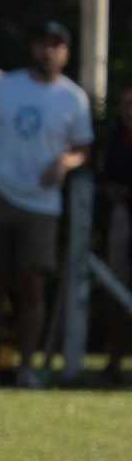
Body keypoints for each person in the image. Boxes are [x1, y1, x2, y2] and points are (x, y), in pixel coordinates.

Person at [0, 21, 92, 388]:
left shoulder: (73, 98)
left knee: (32, 286)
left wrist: (66, 162)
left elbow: (83, 149)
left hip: (42, 204)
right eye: (42, 43)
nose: (48, 51)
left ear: (66, 53)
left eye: (56, 45)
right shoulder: (4, 87)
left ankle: (26, 369)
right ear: (32, 48)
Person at [101, 86, 132, 385]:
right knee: (117, 291)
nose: (129, 110)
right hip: (123, 219)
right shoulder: (117, 139)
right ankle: (114, 363)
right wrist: (112, 191)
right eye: (124, 104)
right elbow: (106, 180)